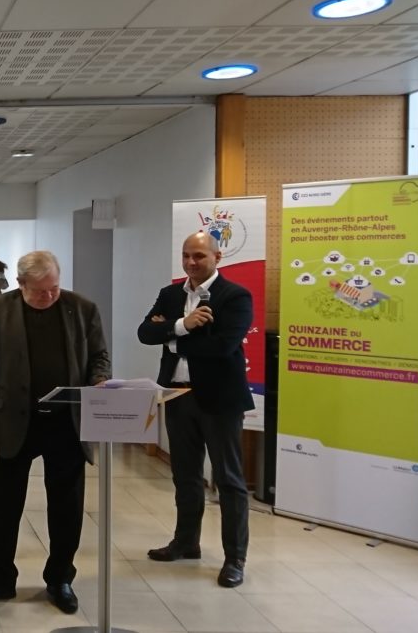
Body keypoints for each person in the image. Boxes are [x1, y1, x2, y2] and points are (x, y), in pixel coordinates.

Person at [0, 251, 109, 615]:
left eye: (54, 288)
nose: (48, 296)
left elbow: (99, 356)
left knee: (67, 505)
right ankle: (0, 575)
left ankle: (60, 577)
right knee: (6, 502)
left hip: (67, 423)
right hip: (15, 419)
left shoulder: (82, 308)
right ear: (21, 285)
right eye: (39, 291)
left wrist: (100, 381)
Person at [137, 231, 253, 588]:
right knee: (185, 475)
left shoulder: (235, 296)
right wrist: (183, 326)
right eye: (187, 255)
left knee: (228, 480)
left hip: (219, 399)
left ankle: (235, 558)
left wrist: (171, 337)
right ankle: (186, 542)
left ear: (218, 257)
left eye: (199, 256)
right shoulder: (170, 295)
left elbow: (223, 347)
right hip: (176, 395)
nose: (191, 262)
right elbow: (144, 333)